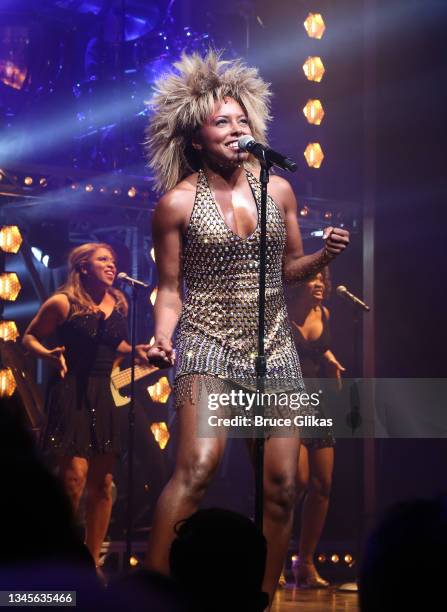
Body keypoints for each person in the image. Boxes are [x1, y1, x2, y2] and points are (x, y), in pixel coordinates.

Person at [144, 50, 349, 604]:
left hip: (275, 350)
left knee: (284, 485)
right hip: (206, 343)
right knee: (198, 466)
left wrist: (325, 257)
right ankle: (154, 591)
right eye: (222, 122)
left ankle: (259, 597)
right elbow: (168, 287)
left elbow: (289, 271)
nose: (236, 130)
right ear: (195, 138)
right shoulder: (176, 203)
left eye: (242, 121)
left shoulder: (277, 190)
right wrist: (163, 336)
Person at [22, 242, 150, 568]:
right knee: (73, 479)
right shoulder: (63, 302)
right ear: (83, 267)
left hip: (105, 393)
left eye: (113, 261)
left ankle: (90, 562)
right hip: (72, 391)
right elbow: (29, 337)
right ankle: (58, 557)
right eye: (103, 260)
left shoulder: (119, 302)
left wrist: (135, 351)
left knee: (104, 483)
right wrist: (47, 354)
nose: (111, 265)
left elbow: (114, 343)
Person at [287, 269, 345, 588]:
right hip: (285, 398)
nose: (320, 283)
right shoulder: (281, 314)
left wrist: (330, 357)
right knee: (296, 481)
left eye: (323, 278)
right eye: (314, 278)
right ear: (298, 283)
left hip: (315, 400)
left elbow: (316, 347)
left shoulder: (323, 312)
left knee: (322, 483)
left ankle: (305, 562)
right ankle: (272, 553)